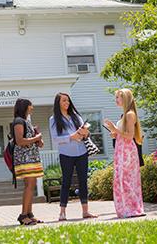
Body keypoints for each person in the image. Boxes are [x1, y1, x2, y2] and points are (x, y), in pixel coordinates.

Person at [49, 92, 97, 221]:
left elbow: (86, 135)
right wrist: (71, 137)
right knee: (66, 182)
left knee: (83, 181)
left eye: (68, 101)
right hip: (66, 154)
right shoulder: (53, 119)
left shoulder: (76, 116)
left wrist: (85, 133)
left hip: (82, 152)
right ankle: (62, 212)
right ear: (58, 103)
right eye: (64, 101)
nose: (67, 103)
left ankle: (85, 212)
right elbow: (55, 139)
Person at [104, 88, 146, 218]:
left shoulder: (130, 114)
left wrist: (115, 129)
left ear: (125, 98)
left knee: (127, 180)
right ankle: (125, 209)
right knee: (120, 179)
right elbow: (122, 135)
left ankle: (133, 209)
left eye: (118, 97)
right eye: (116, 97)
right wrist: (114, 134)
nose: (116, 100)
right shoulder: (124, 115)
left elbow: (129, 136)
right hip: (121, 150)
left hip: (128, 152)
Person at [12, 98, 44, 225]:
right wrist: (36, 137)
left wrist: (38, 139)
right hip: (25, 158)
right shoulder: (18, 121)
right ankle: (23, 215)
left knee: (32, 185)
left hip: (32, 157)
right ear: (25, 106)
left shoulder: (27, 121)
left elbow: (34, 141)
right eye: (31, 105)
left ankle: (29, 214)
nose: (32, 108)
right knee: (29, 186)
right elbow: (19, 141)